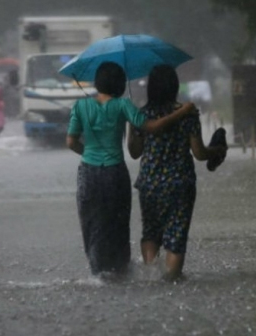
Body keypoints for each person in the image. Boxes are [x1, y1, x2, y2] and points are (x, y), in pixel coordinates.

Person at [66, 62, 195, 277]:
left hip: (88, 174)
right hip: (115, 173)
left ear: (97, 82)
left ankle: (98, 272)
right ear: (119, 84)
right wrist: (182, 112)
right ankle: (120, 271)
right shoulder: (123, 105)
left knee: (92, 223)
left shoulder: (79, 107)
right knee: (118, 224)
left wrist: (90, 155)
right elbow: (152, 127)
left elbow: (71, 142)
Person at [127, 64, 227, 282]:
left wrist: (132, 129)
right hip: (180, 184)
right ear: (174, 87)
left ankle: (151, 277)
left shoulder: (142, 115)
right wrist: (217, 150)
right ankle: (171, 280)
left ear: (150, 88)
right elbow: (199, 153)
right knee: (176, 236)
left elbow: (134, 153)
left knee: (151, 232)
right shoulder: (187, 114)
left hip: (149, 184)